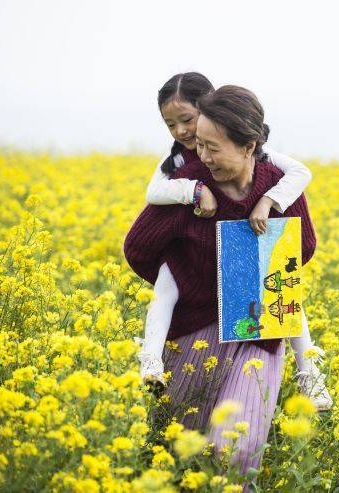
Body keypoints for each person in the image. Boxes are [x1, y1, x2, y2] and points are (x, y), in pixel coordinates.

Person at [124, 84, 319, 482]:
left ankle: (311, 375)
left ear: (249, 146)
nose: (203, 155)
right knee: (174, 453)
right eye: (200, 145)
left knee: (234, 447)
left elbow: (303, 248)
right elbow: (138, 247)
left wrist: (254, 268)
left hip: (256, 330)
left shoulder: (278, 184)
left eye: (214, 147)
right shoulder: (188, 181)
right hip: (194, 330)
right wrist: (187, 276)